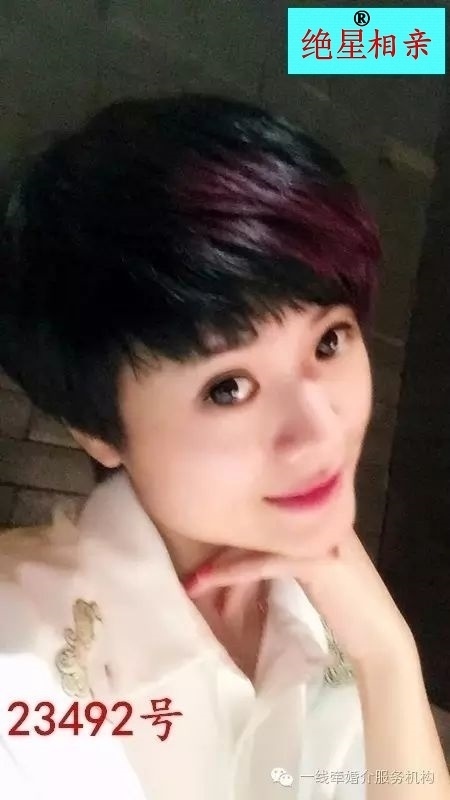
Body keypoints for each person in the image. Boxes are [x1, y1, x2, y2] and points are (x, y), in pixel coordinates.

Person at [0, 94, 448, 800]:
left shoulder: (330, 609)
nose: (320, 430)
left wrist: (388, 657)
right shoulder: (20, 651)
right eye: (228, 388)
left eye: (329, 340)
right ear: (97, 430)